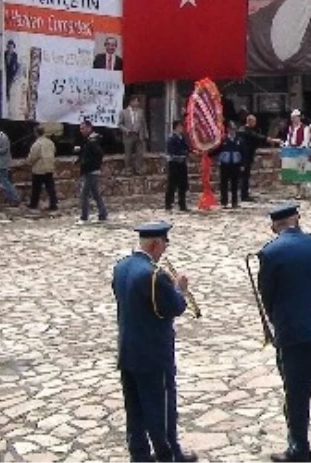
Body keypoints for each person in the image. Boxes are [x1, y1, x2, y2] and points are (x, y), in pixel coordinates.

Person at [112, 221, 198, 463]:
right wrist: (179, 289)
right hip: (153, 353)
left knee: (135, 406)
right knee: (161, 408)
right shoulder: (154, 275)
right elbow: (172, 308)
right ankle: (168, 454)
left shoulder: (121, 267)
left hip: (128, 349)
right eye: (164, 244)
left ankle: (139, 454)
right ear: (154, 244)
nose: (165, 250)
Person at [257, 204, 311, 462]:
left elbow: (267, 295)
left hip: (291, 330)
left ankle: (299, 447)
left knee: (296, 391)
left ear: (274, 226)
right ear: (297, 220)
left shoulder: (270, 253)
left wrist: (275, 319)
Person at [75, 120, 108, 224]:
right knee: (95, 193)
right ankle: (103, 213)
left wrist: (88, 163)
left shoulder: (93, 141)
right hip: (91, 170)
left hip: (91, 171)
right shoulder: (89, 141)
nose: (81, 131)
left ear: (89, 128)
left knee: (84, 194)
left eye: (83, 128)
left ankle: (84, 217)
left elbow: (98, 154)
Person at [25, 126, 57, 211]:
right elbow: (54, 151)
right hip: (49, 167)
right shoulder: (50, 142)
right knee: (50, 187)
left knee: (36, 188)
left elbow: (33, 156)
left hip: (39, 168)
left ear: (36, 133)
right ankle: (53, 204)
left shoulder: (37, 144)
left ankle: (33, 204)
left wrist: (28, 162)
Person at [215, 124, 244, 209]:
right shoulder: (223, 140)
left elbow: (243, 153)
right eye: (230, 129)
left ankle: (234, 202)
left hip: (235, 164)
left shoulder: (239, 140)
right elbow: (217, 150)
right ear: (228, 130)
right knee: (224, 184)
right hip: (225, 164)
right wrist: (209, 154)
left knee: (234, 184)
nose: (232, 131)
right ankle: (224, 202)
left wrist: (242, 164)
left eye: (233, 129)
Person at [0, 123, 19, 207]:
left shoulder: (3, 137)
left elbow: (4, 150)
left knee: (5, 182)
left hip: (2, 164)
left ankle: (15, 198)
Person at [164, 121, 190, 212]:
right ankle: (168, 204)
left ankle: (182, 204)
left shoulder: (182, 138)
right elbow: (173, 150)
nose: (181, 128)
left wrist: (187, 152)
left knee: (183, 184)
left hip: (182, 163)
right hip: (174, 163)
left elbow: (187, 148)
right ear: (175, 128)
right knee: (172, 184)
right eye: (180, 127)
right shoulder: (171, 138)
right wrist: (183, 152)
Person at [120, 96, 149, 176]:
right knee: (128, 153)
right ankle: (128, 170)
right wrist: (126, 130)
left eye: (138, 102)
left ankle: (138, 169)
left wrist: (145, 134)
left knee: (139, 153)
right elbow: (119, 124)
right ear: (131, 102)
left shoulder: (140, 111)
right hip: (128, 134)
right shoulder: (124, 112)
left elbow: (143, 123)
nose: (137, 103)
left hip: (138, 134)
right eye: (135, 101)